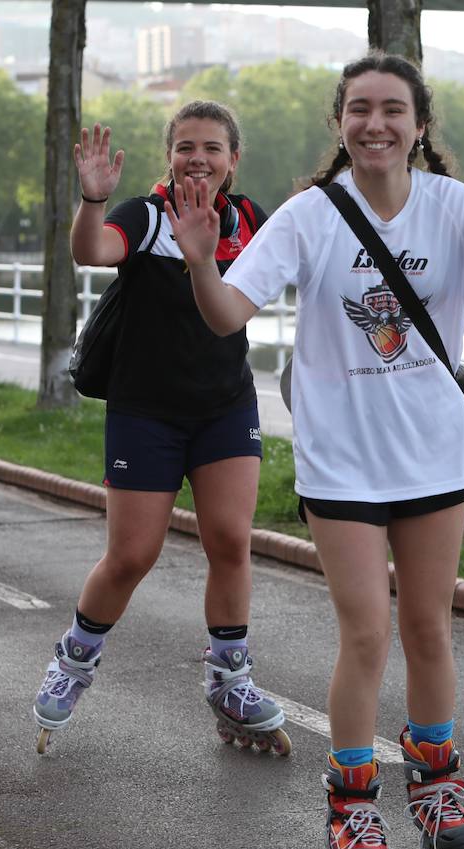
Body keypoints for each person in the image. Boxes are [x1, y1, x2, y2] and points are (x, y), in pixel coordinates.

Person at [167, 53, 464, 849]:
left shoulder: (453, 207)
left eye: (392, 110)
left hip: (435, 455)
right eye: (359, 110)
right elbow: (226, 315)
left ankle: (439, 789)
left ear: (419, 126)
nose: (375, 124)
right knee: (366, 633)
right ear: (340, 123)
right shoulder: (310, 215)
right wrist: (203, 260)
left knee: (428, 627)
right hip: (341, 459)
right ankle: (351, 805)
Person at [30, 101, 290, 756]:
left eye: (211, 147)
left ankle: (231, 679)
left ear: (234, 159)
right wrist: (93, 201)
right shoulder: (145, 218)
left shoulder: (249, 219)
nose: (197, 158)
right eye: (185, 147)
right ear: (168, 156)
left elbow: (302, 261)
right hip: (146, 410)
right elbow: (93, 250)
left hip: (225, 405)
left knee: (231, 539)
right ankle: (74, 661)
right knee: (132, 555)